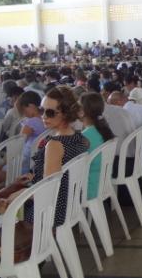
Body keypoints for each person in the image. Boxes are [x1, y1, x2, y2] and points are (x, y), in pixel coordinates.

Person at [6, 86, 89, 227]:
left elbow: (49, 190)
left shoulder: (55, 145)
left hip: (49, 212)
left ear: (65, 113)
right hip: (70, 204)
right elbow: (63, 174)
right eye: (42, 110)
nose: (43, 116)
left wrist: (23, 193)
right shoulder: (80, 138)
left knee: (4, 206)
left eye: (50, 112)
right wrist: (35, 176)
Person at [80, 92, 115, 200]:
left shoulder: (84, 137)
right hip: (103, 181)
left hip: (89, 188)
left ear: (82, 112)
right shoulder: (105, 129)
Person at [17, 91, 46, 173]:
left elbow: (18, 144)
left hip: (24, 162)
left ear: (31, 106)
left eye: (24, 109)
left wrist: (3, 162)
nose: (24, 113)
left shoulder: (31, 123)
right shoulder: (45, 119)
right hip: (37, 161)